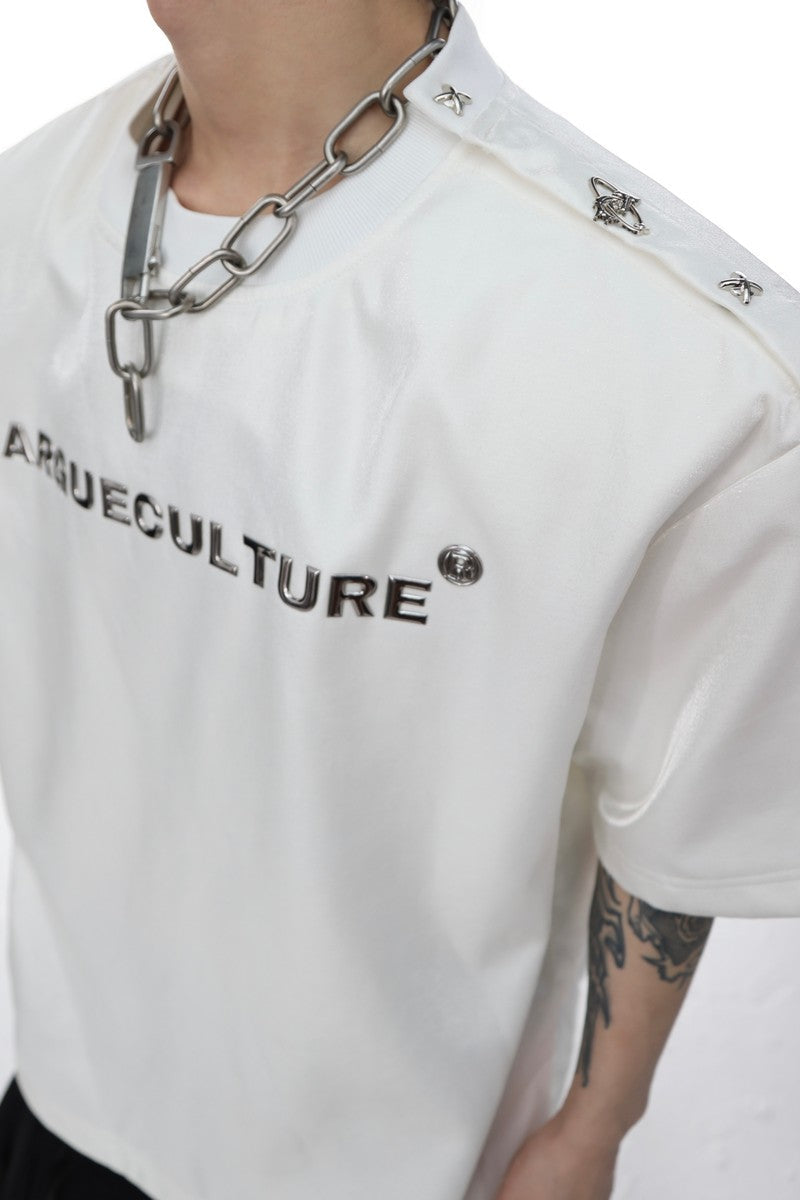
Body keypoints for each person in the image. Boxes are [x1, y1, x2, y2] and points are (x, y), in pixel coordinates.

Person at [0, 1, 798, 1197]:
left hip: (383, 1162)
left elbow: (669, 827)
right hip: (67, 1088)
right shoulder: (31, 202)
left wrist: (590, 1130)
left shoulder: (694, 372)